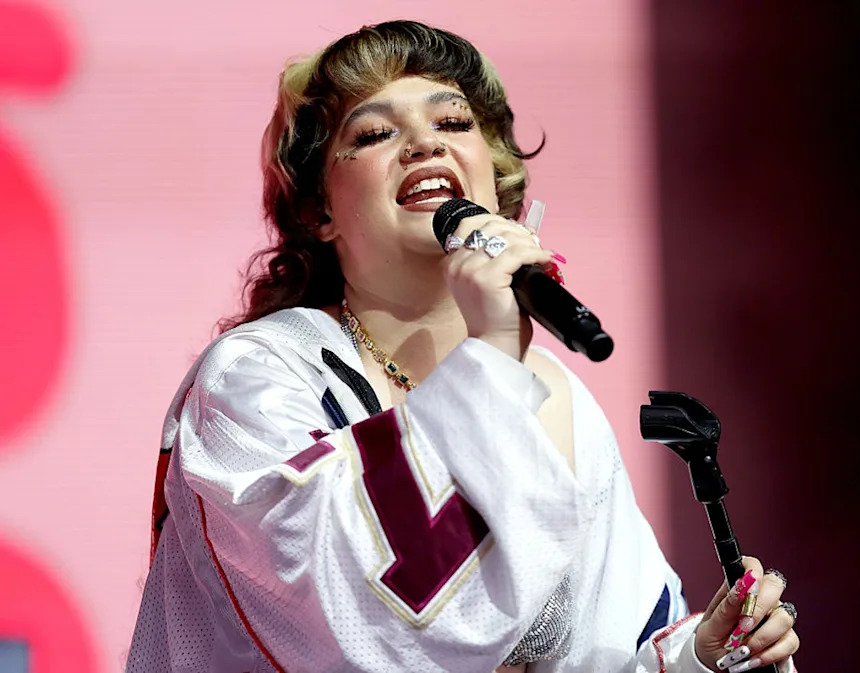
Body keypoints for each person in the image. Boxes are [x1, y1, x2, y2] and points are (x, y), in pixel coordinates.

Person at [125, 20, 799, 673]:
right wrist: (494, 351)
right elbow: (357, 625)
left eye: (452, 123)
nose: (424, 144)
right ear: (318, 212)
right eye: (376, 132)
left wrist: (703, 656)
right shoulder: (257, 377)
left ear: (495, 184)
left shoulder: (551, 394)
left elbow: (607, 649)